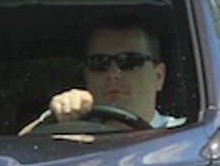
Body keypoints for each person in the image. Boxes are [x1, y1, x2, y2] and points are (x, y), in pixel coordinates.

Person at [46, 19, 185, 128]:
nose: (113, 73)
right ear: (86, 76)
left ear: (159, 76)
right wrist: (52, 116)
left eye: (130, 61)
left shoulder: (188, 139)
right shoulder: (69, 140)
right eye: (99, 62)